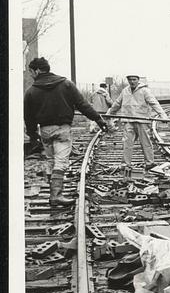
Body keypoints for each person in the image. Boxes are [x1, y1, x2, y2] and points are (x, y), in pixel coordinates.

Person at [23, 57, 108, 206]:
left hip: (44, 130)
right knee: (60, 162)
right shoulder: (66, 84)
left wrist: (32, 135)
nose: (31, 75)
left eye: (31, 71)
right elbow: (83, 105)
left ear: (37, 70)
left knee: (51, 160)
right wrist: (98, 120)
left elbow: (28, 117)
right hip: (63, 129)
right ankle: (55, 195)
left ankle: (53, 193)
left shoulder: (31, 91)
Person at [106, 74, 167, 169]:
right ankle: (126, 164)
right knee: (127, 143)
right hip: (128, 120)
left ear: (138, 80)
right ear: (128, 80)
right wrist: (110, 113)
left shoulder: (145, 91)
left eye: (134, 79)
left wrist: (163, 115)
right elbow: (117, 103)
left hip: (142, 120)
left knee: (145, 143)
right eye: (130, 80)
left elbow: (154, 103)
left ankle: (149, 163)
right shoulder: (125, 91)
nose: (132, 81)